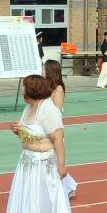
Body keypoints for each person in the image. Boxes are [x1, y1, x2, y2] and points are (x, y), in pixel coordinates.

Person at [2, 75, 79, 213]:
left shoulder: (48, 109)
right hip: (27, 162)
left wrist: (62, 166)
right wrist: (17, 130)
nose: (22, 91)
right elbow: (29, 135)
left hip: (43, 164)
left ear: (32, 90)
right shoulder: (28, 108)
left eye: (25, 88)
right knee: (33, 201)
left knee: (38, 202)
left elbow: (58, 139)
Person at [43, 59, 77, 198]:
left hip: (54, 127)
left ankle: (68, 186)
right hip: (45, 125)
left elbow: (56, 110)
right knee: (51, 158)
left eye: (44, 69)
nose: (41, 71)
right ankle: (67, 186)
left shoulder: (58, 89)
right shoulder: (46, 86)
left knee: (55, 157)